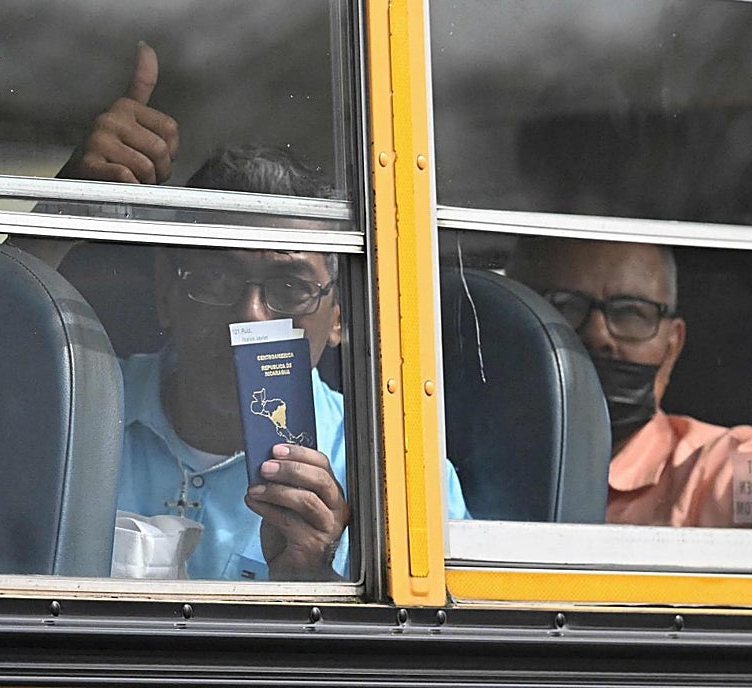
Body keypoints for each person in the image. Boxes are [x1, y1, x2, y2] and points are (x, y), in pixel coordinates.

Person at [55, 45, 469, 581]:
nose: (249, 317)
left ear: (339, 316)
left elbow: (452, 635)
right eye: (214, 280)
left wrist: (313, 576)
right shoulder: (75, 413)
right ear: (166, 294)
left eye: (290, 288)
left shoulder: (400, 469)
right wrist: (61, 210)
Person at [507, 236, 752, 528]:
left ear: (672, 347)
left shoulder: (718, 470)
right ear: (506, 327)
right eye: (563, 307)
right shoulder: (479, 465)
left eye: (631, 312)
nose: (598, 335)